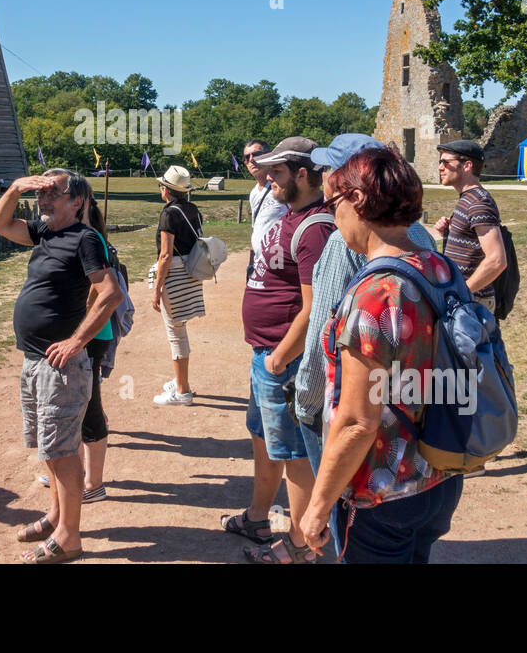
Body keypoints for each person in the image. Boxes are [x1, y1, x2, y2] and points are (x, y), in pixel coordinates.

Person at [299, 145, 464, 564]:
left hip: (383, 489)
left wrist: (317, 506)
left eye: (333, 203)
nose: (332, 216)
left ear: (356, 200)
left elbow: (357, 421)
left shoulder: (374, 294)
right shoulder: (439, 268)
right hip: (439, 473)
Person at [0, 168, 122, 563]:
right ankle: (56, 515)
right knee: (50, 448)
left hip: (59, 368)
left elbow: (110, 293)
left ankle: (69, 539)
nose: (43, 201)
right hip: (34, 361)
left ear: (77, 201)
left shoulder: (85, 239)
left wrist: (76, 341)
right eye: (40, 194)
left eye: (53, 194)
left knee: (62, 452)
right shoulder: (46, 232)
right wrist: (14, 187)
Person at [223, 136, 335, 564]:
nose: (267, 177)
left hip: (283, 360)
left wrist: (279, 356)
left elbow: (316, 309)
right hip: (266, 354)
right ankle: (257, 516)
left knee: (295, 455)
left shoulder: (316, 228)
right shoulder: (292, 215)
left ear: (302, 175)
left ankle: (300, 545)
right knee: (265, 439)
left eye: (277, 171)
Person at [149, 165, 206, 405]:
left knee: (175, 333)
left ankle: (182, 392)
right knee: (179, 329)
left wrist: (157, 289)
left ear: (166, 190)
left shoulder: (168, 214)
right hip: (190, 272)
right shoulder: (193, 209)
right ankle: (181, 381)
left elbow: (165, 255)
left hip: (173, 276)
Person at [432, 139, 507, 314]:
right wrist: (449, 233)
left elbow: (497, 260)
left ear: (467, 166)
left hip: (473, 301)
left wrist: (462, 292)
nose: (440, 167)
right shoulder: (468, 199)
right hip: (467, 300)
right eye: (439, 162)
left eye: (446, 162)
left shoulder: (479, 202)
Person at [243, 139, 287, 277]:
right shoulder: (254, 192)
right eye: (246, 157)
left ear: (269, 156)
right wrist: (251, 265)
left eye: (256, 155)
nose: (251, 160)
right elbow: (255, 229)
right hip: (259, 265)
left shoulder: (282, 186)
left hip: (279, 264)